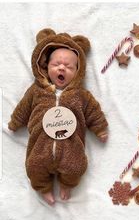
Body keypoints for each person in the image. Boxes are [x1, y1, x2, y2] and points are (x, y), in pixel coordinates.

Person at [8, 28, 108, 205]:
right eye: (56, 65)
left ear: (78, 71)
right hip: (40, 147)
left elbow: (93, 111)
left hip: (71, 148)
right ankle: (43, 188)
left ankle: (66, 185)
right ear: (45, 66)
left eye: (69, 67)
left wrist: (100, 129)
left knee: (77, 168)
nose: (62, 67)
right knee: (33, 167)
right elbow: (23, 108)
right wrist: (15, 122)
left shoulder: (81, 95)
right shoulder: (36, 91)